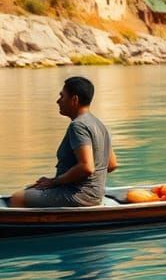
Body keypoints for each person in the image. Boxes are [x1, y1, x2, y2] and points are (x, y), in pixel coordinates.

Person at [8, 76, 117, 208]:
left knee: (17, 198)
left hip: (79, 196)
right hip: (94, 195)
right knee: (30, 189)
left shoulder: (78, 126)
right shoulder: (100, 125)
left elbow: (87, 167)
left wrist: (55, 182)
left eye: (62, 96)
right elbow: (111, 164)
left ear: (74, 100)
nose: (58, 101)